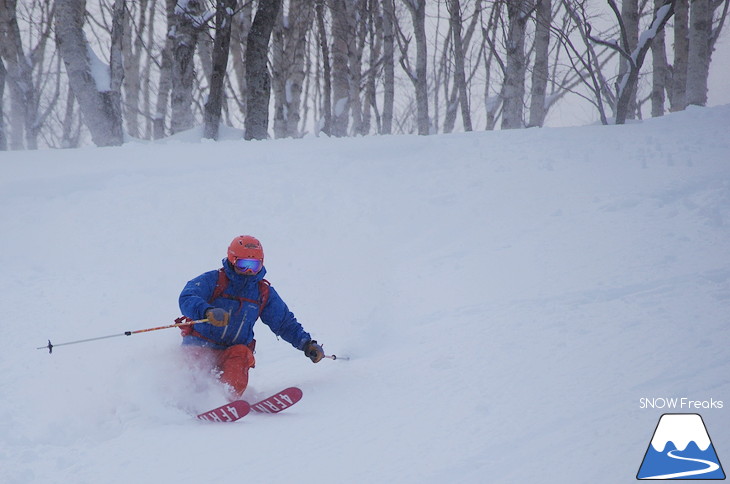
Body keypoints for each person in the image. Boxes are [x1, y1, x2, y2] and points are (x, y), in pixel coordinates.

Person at [178, 235, 324, 400]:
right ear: (233, 260)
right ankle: (184, 397)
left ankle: (224, 399)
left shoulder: (262, 292)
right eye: (244, 264)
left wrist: (306, 344)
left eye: (254, 266)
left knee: (242, 354)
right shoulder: (213, 280)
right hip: (200, 345)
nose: (249, 271)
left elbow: (284, 322)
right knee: (192, 363)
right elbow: (187, 297)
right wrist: (207, 311)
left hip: (231, 352)